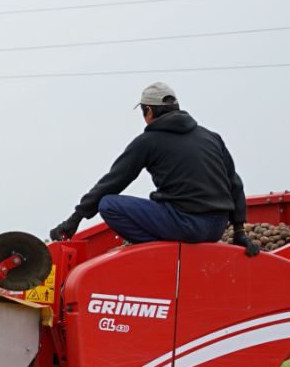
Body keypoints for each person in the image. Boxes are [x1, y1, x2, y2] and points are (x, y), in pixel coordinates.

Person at [49, 82, 257, 254]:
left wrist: (74, 219)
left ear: (148, 111)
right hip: (217, 227)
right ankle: (165, 246)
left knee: (108, 204)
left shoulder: (148, 141)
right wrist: (239, 232)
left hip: (186, 225)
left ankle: (157, 251)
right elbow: (234, 183)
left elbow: (112, 182)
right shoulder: (211, 137)